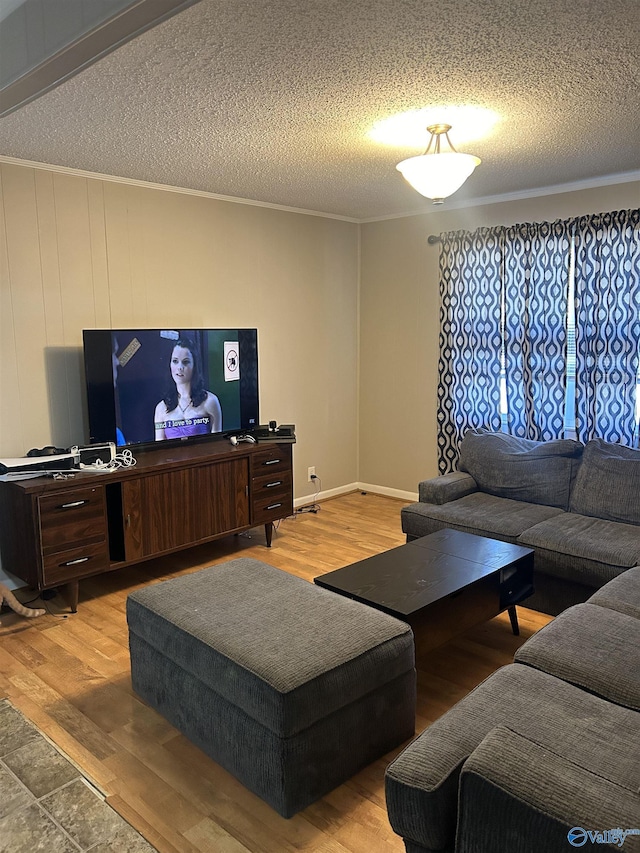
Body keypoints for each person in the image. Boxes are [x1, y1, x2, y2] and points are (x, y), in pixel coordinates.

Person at [154, 338, 222, 440]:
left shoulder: (210, 401)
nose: (180, 367)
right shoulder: (161, 408)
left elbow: (218, 445)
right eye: (175, 361)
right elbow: (159, 450)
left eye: (186, 362)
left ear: (195, 366)